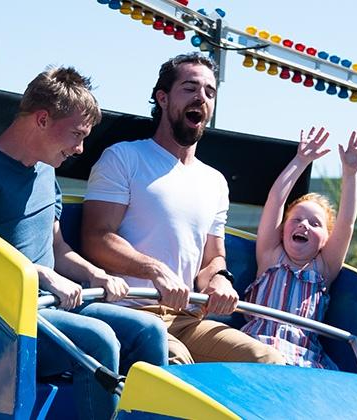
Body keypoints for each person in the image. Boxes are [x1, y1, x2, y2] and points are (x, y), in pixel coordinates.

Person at [0, 66, 168, 419]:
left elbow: (58, 248)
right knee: (98, 339)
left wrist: (95, 274)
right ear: (42, 119)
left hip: (53, 309)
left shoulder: (46, 170)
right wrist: (41, 276)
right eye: (76, 134)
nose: (79, 148)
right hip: (3, 320)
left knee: (148, 329)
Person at [81, 52, 285, 365]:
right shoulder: (123, 158)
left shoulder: (214, 181)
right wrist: (156, 270)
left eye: (209, 92)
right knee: (176, 363)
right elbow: (96, 238)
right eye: (190, 88)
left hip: (187, 319)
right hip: (130, 313)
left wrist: (220, 279)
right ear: (162, 98)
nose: (201, 97)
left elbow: (213, 258)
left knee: (267, 360)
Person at [240, 126, 357, 369]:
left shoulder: (323, 268)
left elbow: (346, 222)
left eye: (315, 224)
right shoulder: (271, 256)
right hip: (257, 346)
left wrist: (350, 173)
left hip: (304, 359)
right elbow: (276, 200)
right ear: (283, 230)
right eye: (297, 219)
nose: (304, 225)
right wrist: (301, 159)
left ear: (325, 240)